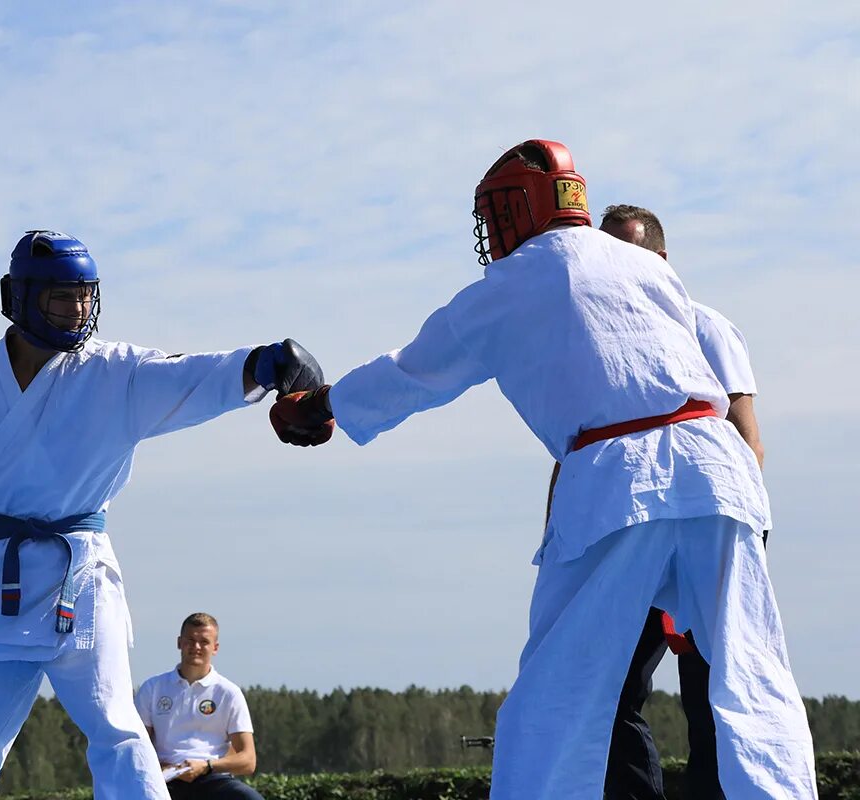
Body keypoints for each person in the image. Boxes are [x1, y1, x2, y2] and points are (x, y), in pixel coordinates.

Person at [269, 141, 817, 798]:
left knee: (557, 703)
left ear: (513, 209)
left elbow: (414, 369)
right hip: (720, 474)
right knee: (756, 684)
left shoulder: (516, 280)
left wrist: (326, 407)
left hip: (619, 482)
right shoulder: (648, 269)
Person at [0, 230, 324, 799]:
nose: (76, 310)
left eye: (83, 295)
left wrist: (260, 365)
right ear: (17, 297)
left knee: (119, 734)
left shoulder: (114, 372)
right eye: (59, 297)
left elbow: (188, 376)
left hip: (81, 583)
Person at [597, 204, 763, 800]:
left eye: (625, 253)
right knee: (610, 687)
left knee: (712, 687)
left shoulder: (705, 327)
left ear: (661, 261)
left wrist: (739, 541)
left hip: (705, 522)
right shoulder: (602, 339)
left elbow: (747, 441)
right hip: (630, 523)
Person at [135, 613, 264, 800]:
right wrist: (163, 768)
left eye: (204, 641)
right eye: (190, 640)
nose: (196, 647)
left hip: (214, 778)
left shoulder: (228, 692)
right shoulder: (152, 688)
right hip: (164, 779)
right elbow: (137, 747)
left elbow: (248, 760)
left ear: (215, 647)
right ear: (179, 642)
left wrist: (206, 765)